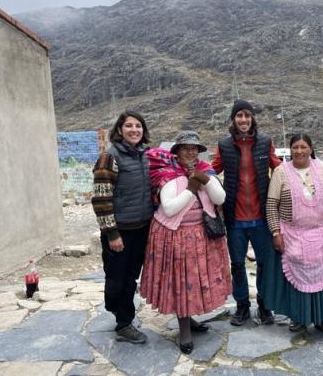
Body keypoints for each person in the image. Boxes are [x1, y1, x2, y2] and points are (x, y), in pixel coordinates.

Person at [140, 131, 231, 354]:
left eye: (194, 148)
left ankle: (190, 320)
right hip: (176, 236)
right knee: (181, 282)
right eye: (185, 148)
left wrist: (205, 179)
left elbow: (220, 199)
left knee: (196, 281)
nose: (190, 152)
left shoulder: (205, 170)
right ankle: (185, 331)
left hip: (202, 235)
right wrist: (191, 186)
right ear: (177, 151)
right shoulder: (168, 174)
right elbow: (170, 208)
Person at [262, 134, 323, 333]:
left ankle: (322, 318)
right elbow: (271, 205)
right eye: (295, 147)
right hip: (292, 234)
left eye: (303, 147)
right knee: (297, 277)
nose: (299, 151)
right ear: (290, 150)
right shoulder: (281, 172)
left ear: (310, 149)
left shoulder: (322, 168)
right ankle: (299, 318)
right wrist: (275, 232)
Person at [212, 99, 282, 326]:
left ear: (252, 118)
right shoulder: (224, 145)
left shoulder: (265, 142)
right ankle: (242, 306)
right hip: (234, 219)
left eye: (247, 115)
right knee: (238, 264)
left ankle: (264, 306)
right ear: (233, 119)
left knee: (264, 263)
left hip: (262, 218)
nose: (243, 119)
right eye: (239, 115)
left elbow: (279, 169)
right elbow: (211, 170)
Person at [91, 110, 154, 344]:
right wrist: (112, 233)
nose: (134, 130)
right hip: (120, 230)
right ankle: (124, 323)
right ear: (119, 130)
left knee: (130, 277)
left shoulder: (145, 156)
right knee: (117, 277)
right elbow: (101, 199)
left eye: (138, 125)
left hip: (141, 228)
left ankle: (121, 315)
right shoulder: (110, 157)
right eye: (129, 126)